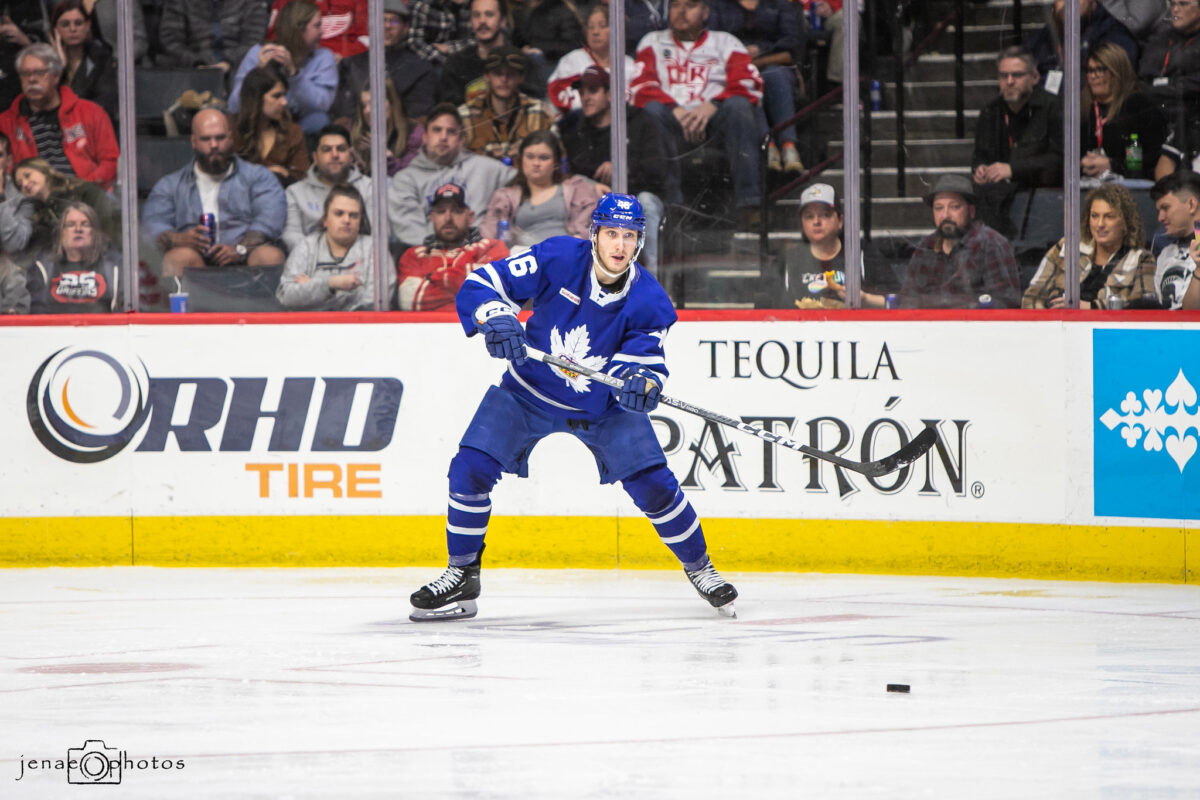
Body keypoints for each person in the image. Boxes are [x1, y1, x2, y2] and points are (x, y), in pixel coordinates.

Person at [408, 192, 739, 622]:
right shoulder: (558, 257)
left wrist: (640, 383)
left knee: (654, 486)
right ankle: (462, 574)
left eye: (629, 236)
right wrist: (497, 317)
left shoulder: (650, 300)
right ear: (594, 234)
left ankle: (701, 568)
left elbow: (643, 361)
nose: (619, 245)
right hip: (527, 392)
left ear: (639, 242)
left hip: (603, 408)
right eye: (611, 234)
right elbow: (484, 283)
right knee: (469, 469)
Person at [631, 0, 764, 219]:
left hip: (715, 123)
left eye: (690, 5)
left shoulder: (726, 42)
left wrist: (714, 104)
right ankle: (672, 207)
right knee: (652, 110)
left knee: (739, 106)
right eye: (676, 5)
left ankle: (749, 204)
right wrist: (673, 108)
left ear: (705, 12)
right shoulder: (652, 42)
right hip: (671, 121)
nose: (681, 12)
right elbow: (640, 86)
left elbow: (750, 83)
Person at [143, 108, 287, 277]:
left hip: (246, 259)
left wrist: (240, 249)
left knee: (270, 256)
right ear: (193, 141)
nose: (214, 145)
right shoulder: (170, 185)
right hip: (196, 262)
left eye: (220, 138)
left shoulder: (258, 177)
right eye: (206, 139)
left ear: (230, 138)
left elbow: (270, 220)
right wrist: (180, 239)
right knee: (178, 258)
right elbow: (153, 226)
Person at [559, 65, 670, 273]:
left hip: (639, 196)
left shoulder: (640, 121)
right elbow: (571, 173)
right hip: (595, 201)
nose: (585, 98)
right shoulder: (576, 128)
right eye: (582, 92)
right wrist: (591, 185)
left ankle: (651, 279)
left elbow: (657, 170)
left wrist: (622, 168)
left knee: (646, 202)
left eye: (593, 91)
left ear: (610, 95)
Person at [387, 103, 515, 248]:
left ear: (461, 139)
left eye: (451, 132)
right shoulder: (406, 179)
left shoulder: (487, 169)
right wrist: (444, 252)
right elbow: (410, 230)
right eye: (437, 130)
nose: (443, 137)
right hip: (432, 255)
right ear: (425, 137)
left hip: (482, 253)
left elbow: (524, 185)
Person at [971, 46, 1064, 236]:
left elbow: (1060, 157)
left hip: (1042, 194)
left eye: (1017, 75)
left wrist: (1013, 169)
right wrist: (979, 169)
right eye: (1003, 76)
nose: (1009, 81)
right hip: (998, 196)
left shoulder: (1053, 107)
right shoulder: (990, 111)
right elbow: (979, 155)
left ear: (1035, 77)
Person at [0, 43, 119, 190]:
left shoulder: (91, 112)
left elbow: (110, 162)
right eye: (25, 74)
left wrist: (83, 189)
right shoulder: (6, 122)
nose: (31, 79)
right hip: (29, 197)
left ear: (56, 76)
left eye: (39, 73)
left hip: (84, 193)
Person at [1022, 183, 1157, 308]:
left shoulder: (1141, 259)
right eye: (1094, 216)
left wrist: (1091, 308)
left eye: (1109, 216)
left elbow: (1143, 307)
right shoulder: (1067, 247)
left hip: (1104, 326)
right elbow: (1032, 297)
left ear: (1125, 222)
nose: (1100, 224)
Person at [897, 174, 1022, 308]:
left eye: (954, 207)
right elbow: (906, 301)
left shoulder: (990, 243)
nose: (945, 215)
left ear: (971, 211)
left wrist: (938, 303)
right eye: (939, 208)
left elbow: (1006, 302)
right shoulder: (926, 246)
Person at [708, 0, 805, 172]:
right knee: (746, 85)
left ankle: (789, 146)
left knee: (776, 76)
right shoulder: (718, 5)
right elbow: (711, 42)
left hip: (773, 63)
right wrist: (739, 54)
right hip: (733, 68)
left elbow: (790, 43)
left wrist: (760, 51)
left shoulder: (779, 4)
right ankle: (768, 146)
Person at [277, 183, 393, 310]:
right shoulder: (307, 246)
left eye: (353, 215)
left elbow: (377, 302)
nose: (347, 220)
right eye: (339, 213)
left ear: (360, 221)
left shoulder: (375, 249)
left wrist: (313, 288)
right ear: (325, 220)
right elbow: (286, 296)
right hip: (311, 323)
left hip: (359, 322)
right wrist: (330, 284)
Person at [396, 180, 509, 310]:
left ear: (470, 217)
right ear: (432, 218)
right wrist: (468, 276)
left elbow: (495, 295)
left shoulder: (492, 247)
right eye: (441, 211)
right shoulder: (414, 256)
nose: (448, 218)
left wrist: (432, 278)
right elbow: (409, 301)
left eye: (456, 211)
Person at [229, 0, 338, 135]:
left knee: (319, 120)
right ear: (298, 30)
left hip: (300, 126)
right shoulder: (258, 53)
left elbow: (322, 105)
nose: (322, 32)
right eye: (317, 26)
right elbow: (234, 106)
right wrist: (259, 73)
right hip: (261, 125)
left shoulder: (323, 57)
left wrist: (295, 74)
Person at [480, 130, 605, 247]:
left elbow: (596, 226)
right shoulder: (505, 197)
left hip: (570, 251)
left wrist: (577, 243)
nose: (536, 163)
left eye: (544, 158)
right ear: (521, 161)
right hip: (524, 256)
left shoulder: (578, 188)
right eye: (530, 157)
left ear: (556, 163)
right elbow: (490, 234)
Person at [331, 0, 436, 126]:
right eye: (382, 20)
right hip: (355, 133)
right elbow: (343, 113)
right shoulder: (349, 65)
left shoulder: (420, 69)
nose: (387, 26)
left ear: (405, 28)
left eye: (394, 21)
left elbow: (417, 116)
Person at [0, 157, 117, 262]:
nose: (25, 184)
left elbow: (108, 225)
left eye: (27, 175)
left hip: (99, 260)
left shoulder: (82, 191)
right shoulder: (36, 217)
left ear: (43, 170)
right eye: (20, 185)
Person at [1080, 43, 1166, 182]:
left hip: (1132, 184)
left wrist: (1113, 165)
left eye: (1100, 70)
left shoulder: (1140, 107)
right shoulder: (1082, 108)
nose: (1093, 76)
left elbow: (1154, 158)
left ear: (1116, 72)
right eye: (1090, 70)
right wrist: (1081, 162)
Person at [458, 45, 554, 162]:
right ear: (486, 77)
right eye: (498, 73)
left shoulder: (541, 112)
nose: (504, 79)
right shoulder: (465, 115)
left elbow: (556, 158)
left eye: (510, 74)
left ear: (521, 78)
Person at [284, 124, 372, 252]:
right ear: (315, 157)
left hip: (359, 258)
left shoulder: (369, 187)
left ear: (350, 156)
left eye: (341, 149)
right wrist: (323, 254)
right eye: (327, 149)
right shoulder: (295, 192)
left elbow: (377, 233)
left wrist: (346, 254)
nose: (335, 155)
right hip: (311, 259)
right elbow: (291, 235)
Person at [439, 0, 544, 106]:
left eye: (489, 14)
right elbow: (451, 110)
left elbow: (535, 105)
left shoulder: (523, 63)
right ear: (471, 21)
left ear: (503, 21)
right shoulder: (456, 64)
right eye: (476, 15)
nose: (482, 21)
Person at [26, 200, 121, 313]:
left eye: (85, 224)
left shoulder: (114, 266)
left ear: (94, 232)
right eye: (71, 225)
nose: (78, 229)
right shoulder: (43, 267)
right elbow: (37, 312)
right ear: (62, 233)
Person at [1024, 0, 1138, 94]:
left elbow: (1108, 83)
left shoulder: (1114, 35)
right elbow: (1020, 73)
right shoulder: (1044, 36)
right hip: (1047, 109)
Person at [232, 66, 311, 186]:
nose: (284, 102)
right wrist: (265, 172)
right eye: (276, 96)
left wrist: (284, 175)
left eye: (284, 95)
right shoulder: (230, 128)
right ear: (256, 97)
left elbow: (302, 176)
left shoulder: (292, 131)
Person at [774, 183, 848, 307]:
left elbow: (885, 301)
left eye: (825, 215)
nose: (816, 222)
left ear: (840, 221)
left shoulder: (860, 257)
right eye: (809, 216)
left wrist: (865, 299)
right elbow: (766, 307)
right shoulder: (787, 261)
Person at [47, 0, 117, 128]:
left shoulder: (101, 58)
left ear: (88, 25)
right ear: (56, 29)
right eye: (65, 24)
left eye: (78, 23)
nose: (72, 29)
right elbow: (43, 105)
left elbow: (104, 105)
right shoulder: (45, 62)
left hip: (91, 129)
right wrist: (60, 67)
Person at [156, 0, 267, 74]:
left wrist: (229, 62)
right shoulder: (178, 2)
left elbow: (253, 41)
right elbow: (171, 41)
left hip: (238, 68)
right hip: (190, 69)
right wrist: (197, 62)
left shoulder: (251, 2)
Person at [350, 79, 423, 177]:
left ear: (392, 103)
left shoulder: (414, 132)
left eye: (373, 104)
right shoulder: (359, 132)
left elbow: (410, 176)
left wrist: (386, 157)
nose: (367, 110)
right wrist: (357, 167)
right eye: (364, 106)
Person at [1150, 170, 1200, 309]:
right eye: (1159, 211)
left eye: (1165, 208)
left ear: (1191, 204)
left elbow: (1193, 316)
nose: (1160, 218)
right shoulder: (1165, 254)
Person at [511, 0, 584, 88]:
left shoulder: (563, 12)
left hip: (554, 65)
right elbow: (522, 38)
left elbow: (572, 45)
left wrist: (539, 49)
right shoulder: (527, 11)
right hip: (531, 62)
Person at [267, 0, 368, 59]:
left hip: (347, 65)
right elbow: (274, 38)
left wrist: (344, 57)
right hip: (300, 64)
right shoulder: (285, 2)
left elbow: (367, 39)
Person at [406, 0, 473, 66]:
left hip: (459, 59)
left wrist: (448, 47)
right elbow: (413, 43)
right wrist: (448, 62)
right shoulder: (420, 4)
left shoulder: (469, 5)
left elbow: (476, 41)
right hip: (426, 60)